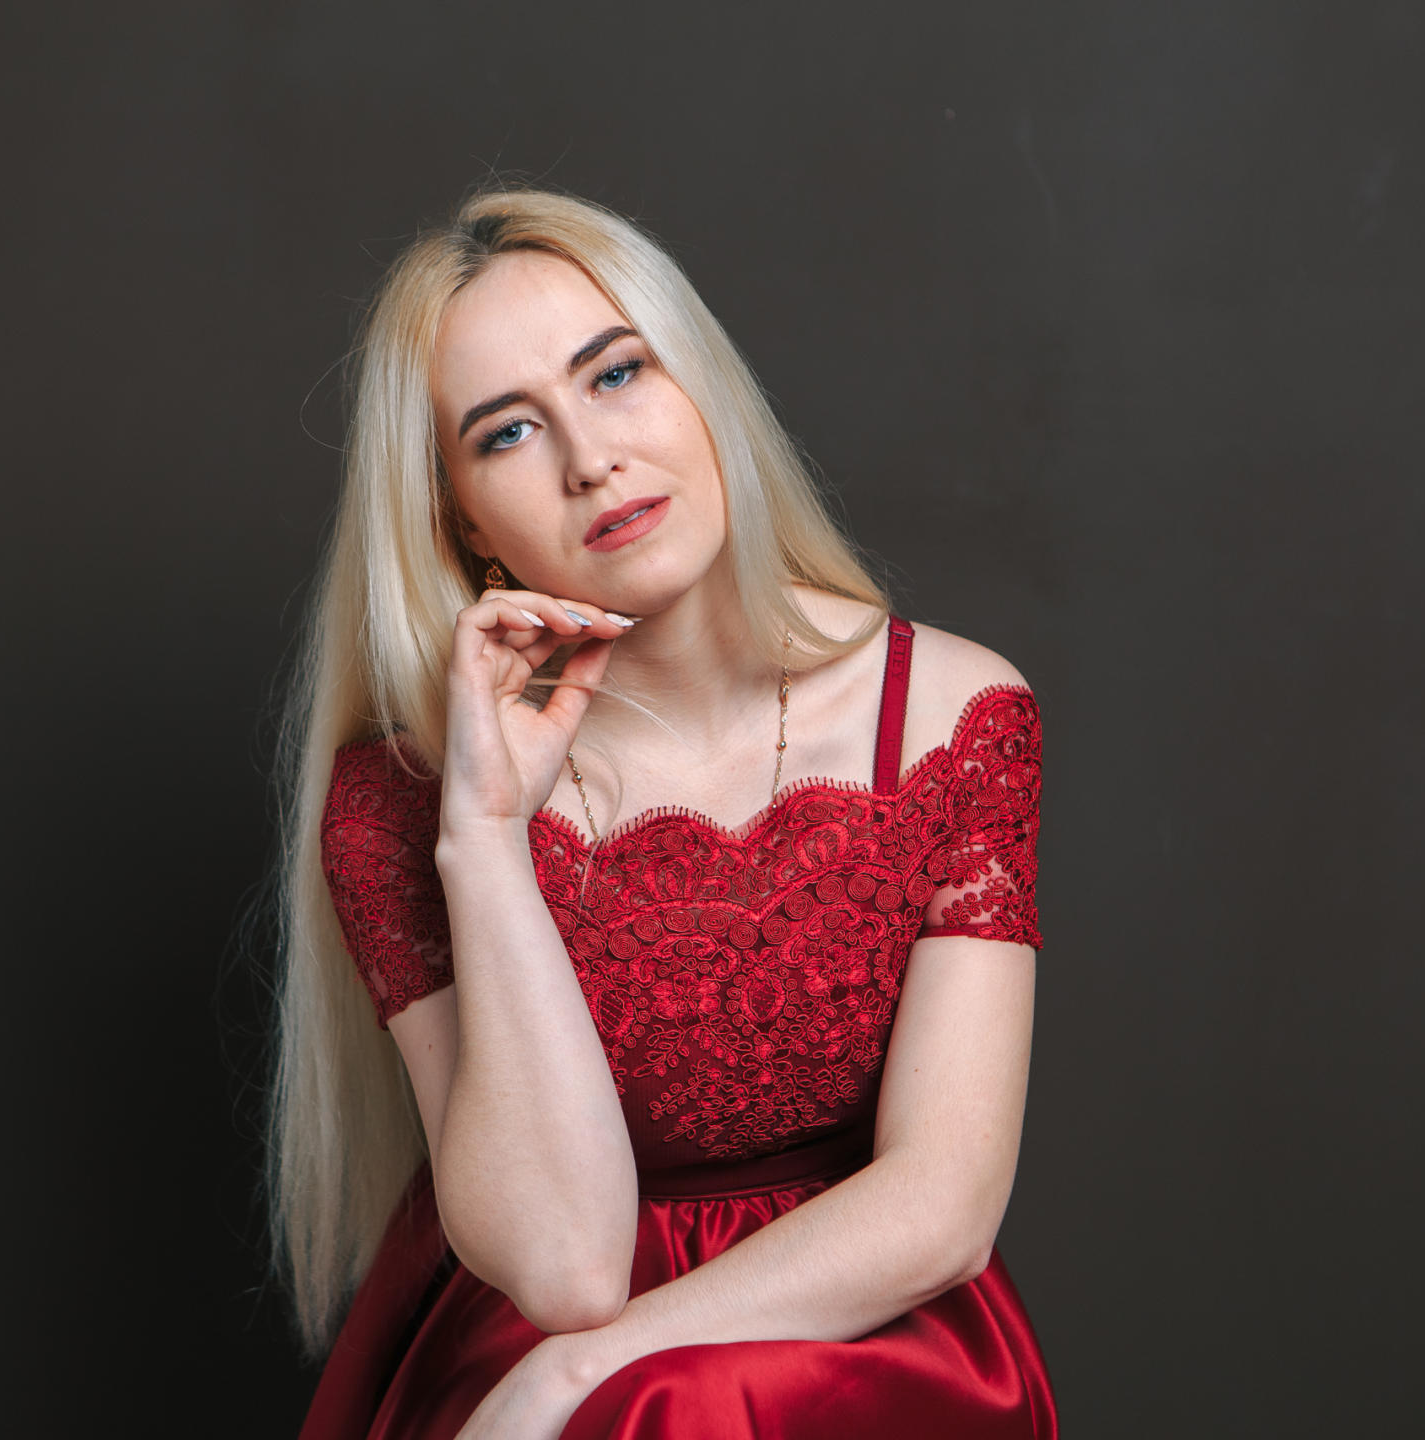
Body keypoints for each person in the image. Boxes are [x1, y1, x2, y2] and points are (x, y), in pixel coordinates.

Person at [267, 186, 1054, 1439]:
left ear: (702, 386)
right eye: (508, 433)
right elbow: (568, 1270)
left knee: (672, 1402)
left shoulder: (953, 715)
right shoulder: (401, 801)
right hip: (546, 1336)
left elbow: (944, 1207)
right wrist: (486, 839)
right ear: (461, 519)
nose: (591, 459)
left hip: (860, 1330)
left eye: (617, 373)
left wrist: (580, 1374)